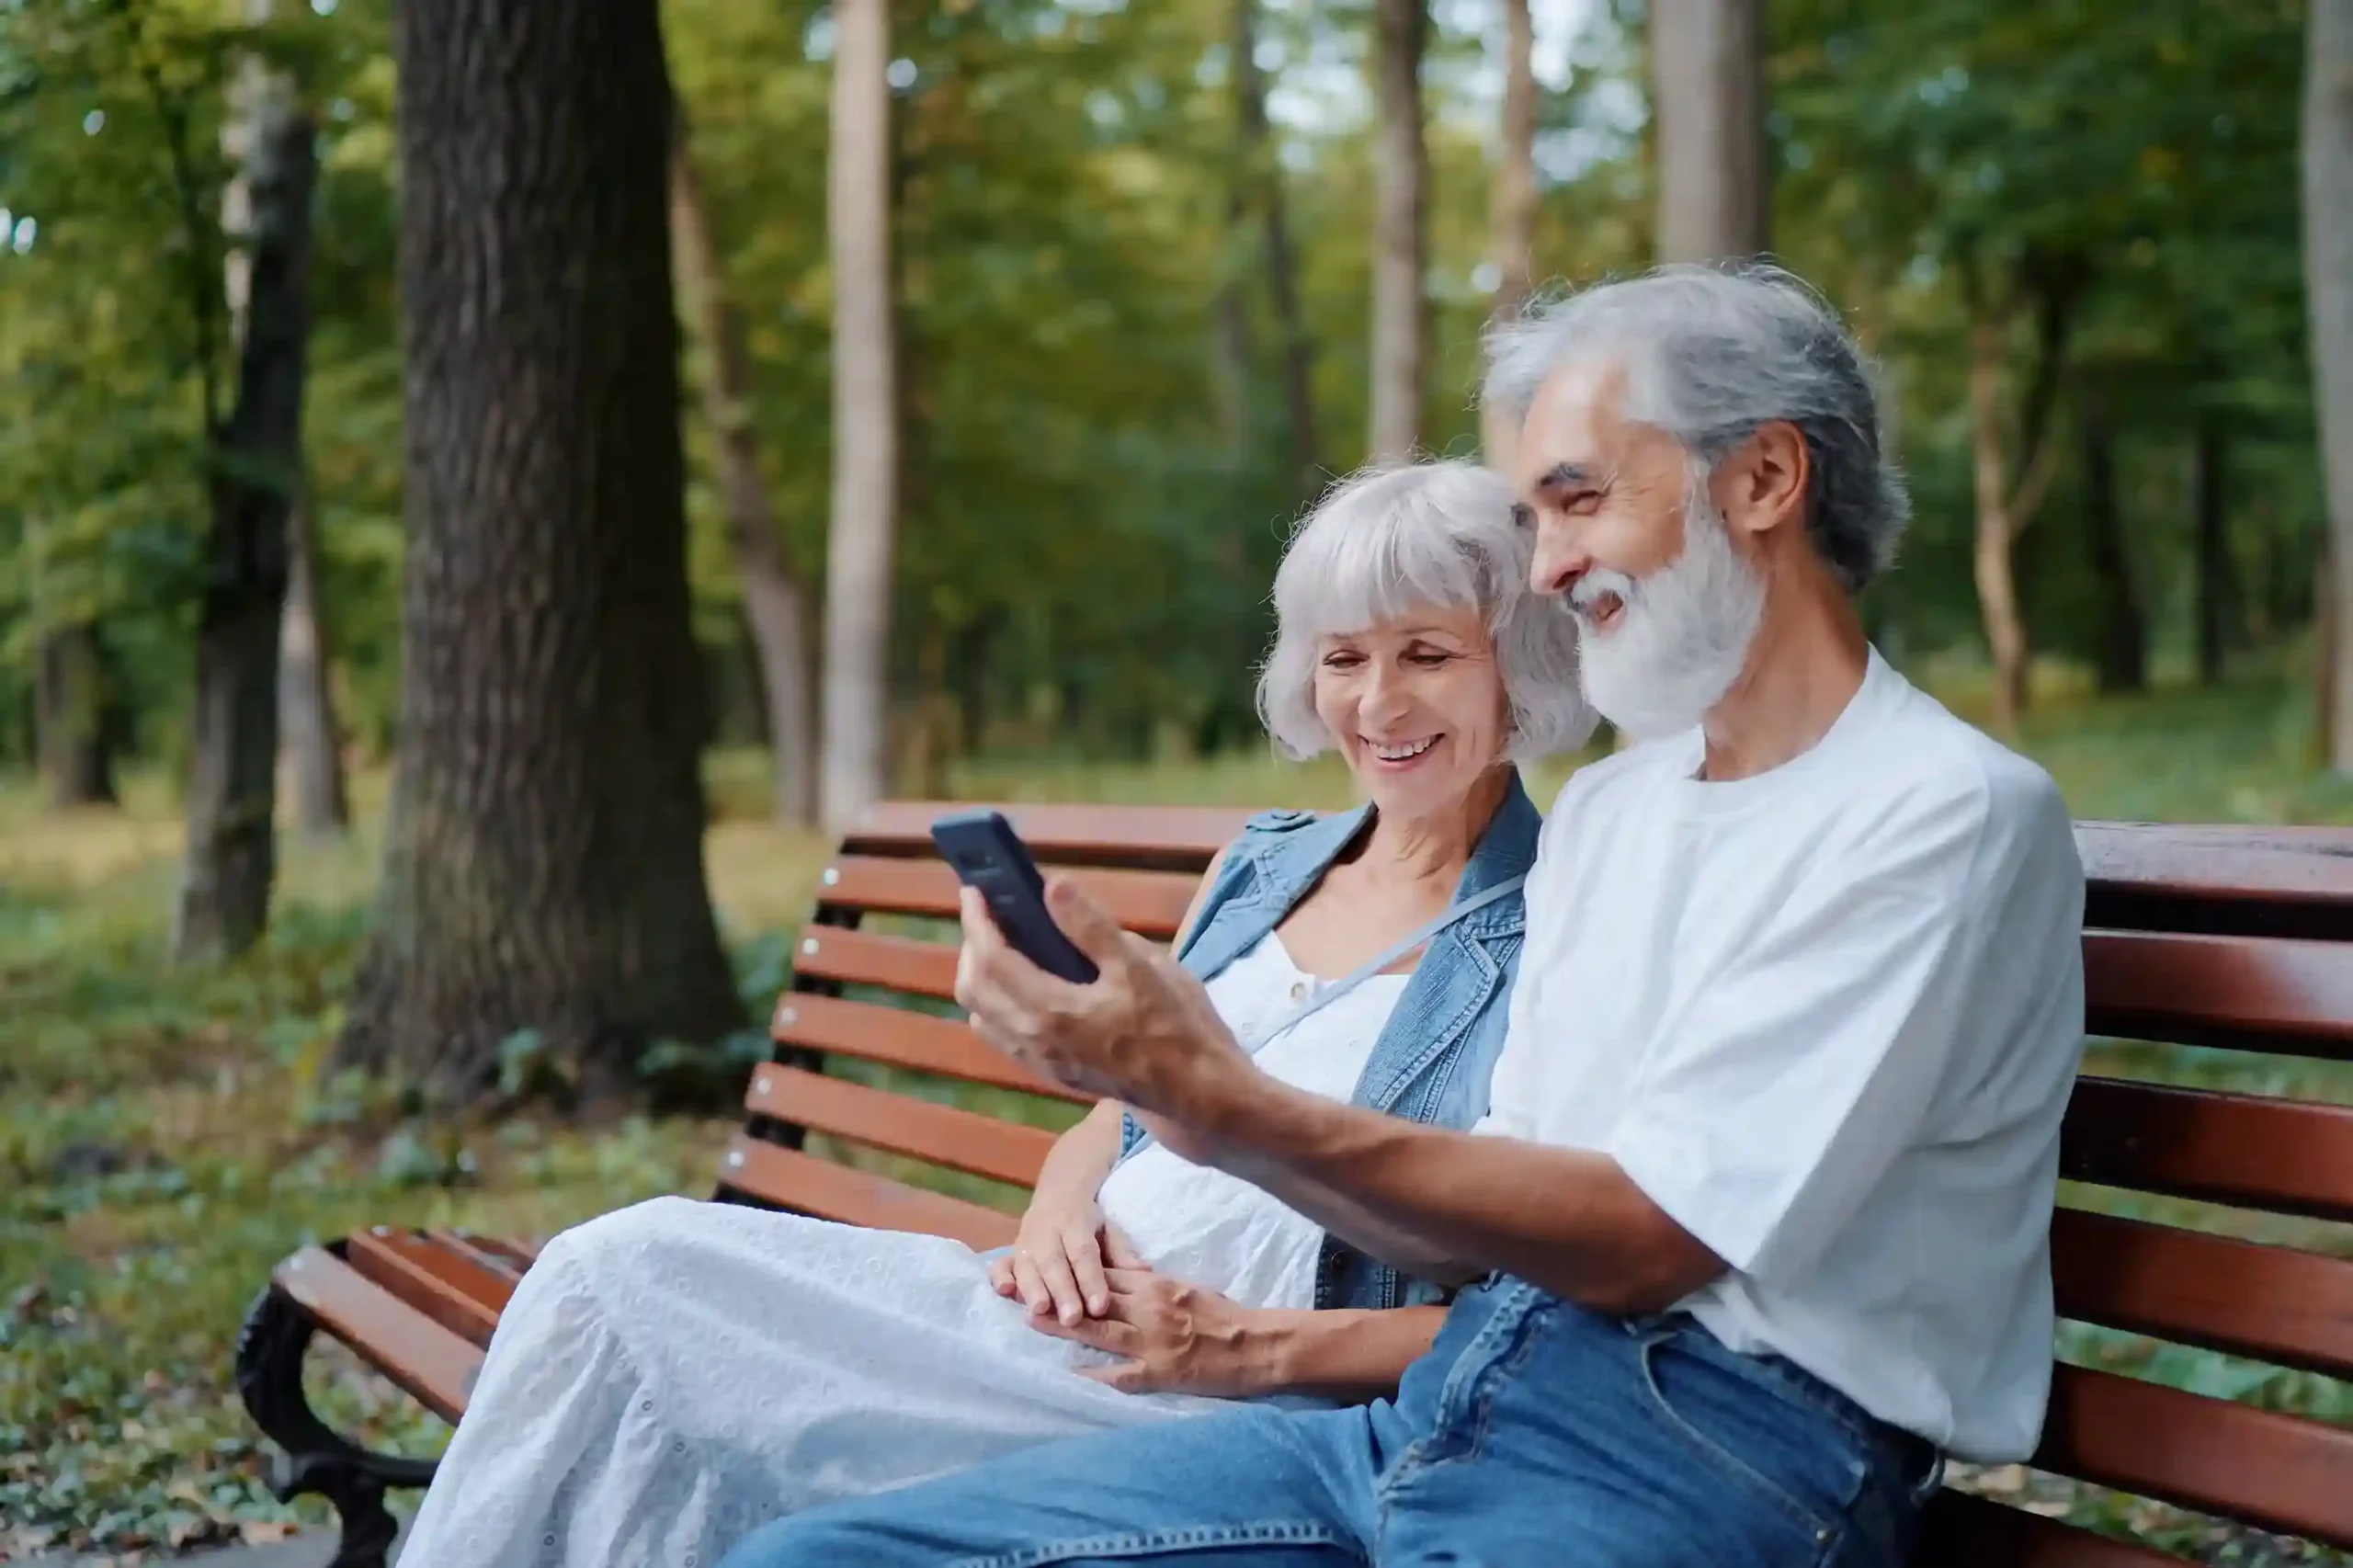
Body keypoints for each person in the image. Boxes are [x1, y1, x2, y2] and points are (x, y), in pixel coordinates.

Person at [718, 263, 2088, 1568]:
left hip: (1720, 1445)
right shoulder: (1619, 810)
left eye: (1578, 501)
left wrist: (1222, 1099)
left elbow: (1649, 1237)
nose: (1546, 568)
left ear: (1765, 479)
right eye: (1537, 518)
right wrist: (1167, 1107)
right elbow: (1477, 1231)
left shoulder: (1936, 811)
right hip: (1455, 1402)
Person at [392, 459, 1596, 1568]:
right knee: (615, 1277)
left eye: (1427, 654)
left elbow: (1535, 1318)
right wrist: (1058, 1209)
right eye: (1343, 658)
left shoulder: (1557, 927)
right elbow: (1125, 1114)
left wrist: (1246, 1346)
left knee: (654, 1332)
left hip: (1198, 1408)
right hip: (1030, 1319)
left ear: (1520, 664)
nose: (1379, 702)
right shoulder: (1266, 864)